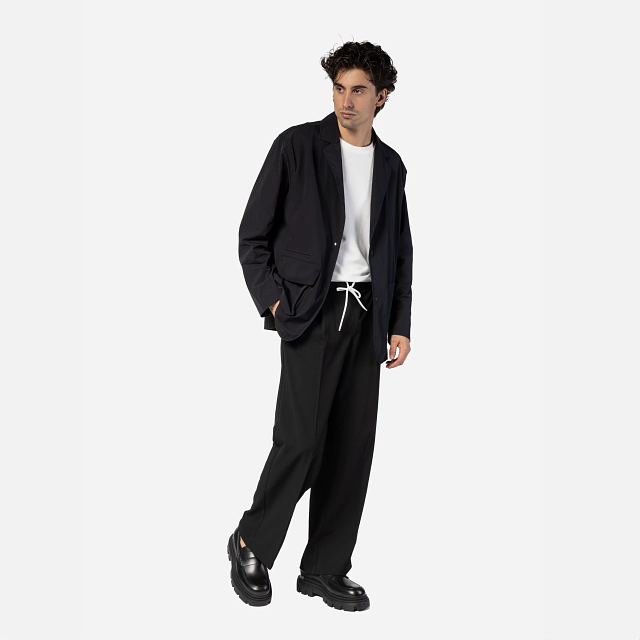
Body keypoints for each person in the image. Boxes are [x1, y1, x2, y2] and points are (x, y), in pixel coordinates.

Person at [227, 40, 413, 612]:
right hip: (310, 313)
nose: (346, 101)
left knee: (352, 448)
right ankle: (251, 542)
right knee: (302, 441)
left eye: (359, 90)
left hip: (368, 317)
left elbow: (399, 250)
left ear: (382, 97)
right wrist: (275, 303)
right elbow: (252, 236)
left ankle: (325, 568)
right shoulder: (297, 146)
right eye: (339, 88)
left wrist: (399, 322)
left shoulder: (391, 165)